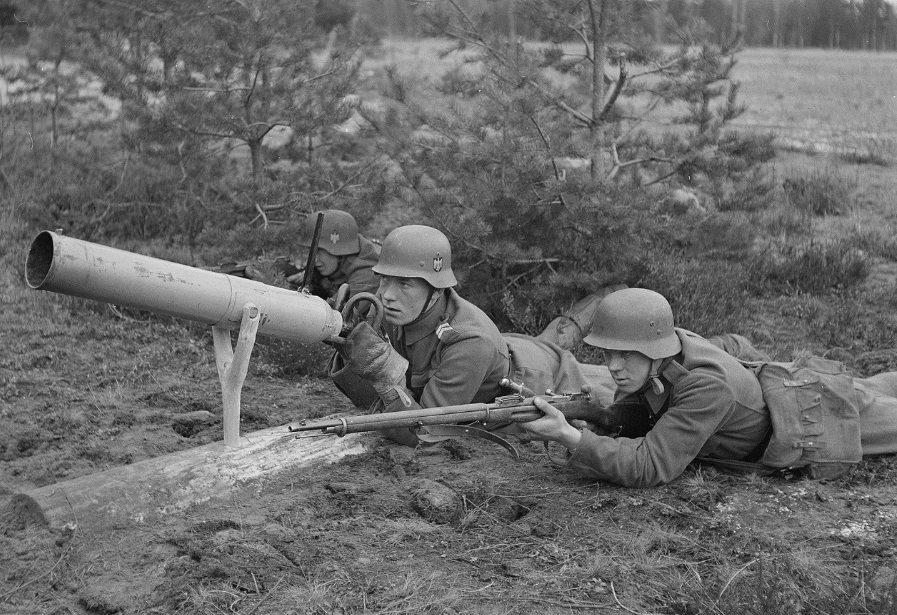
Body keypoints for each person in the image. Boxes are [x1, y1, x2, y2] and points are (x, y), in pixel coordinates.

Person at [520, 287, 897, 488]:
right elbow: (639, 416)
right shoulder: (662, 348)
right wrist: (600, 418)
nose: (614, 367)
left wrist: (570, 437)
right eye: (608, 354)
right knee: (884, 383)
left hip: (806, 420)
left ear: (655, 349)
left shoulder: (704, 387)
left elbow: (649, 467)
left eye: (627, 356)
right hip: (778, 386)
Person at [331, 224, 591, 446]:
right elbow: (368, 401)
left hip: (548, 377)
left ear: (436, 290)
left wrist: (384, 378)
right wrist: (346, 348)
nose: (387, 294)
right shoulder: (397, 307)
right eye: (385, 279)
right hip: (508, 348)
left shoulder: (469, 342)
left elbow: (424, 432)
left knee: (614, 400)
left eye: (404, 284)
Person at [288, 209, 381, 303]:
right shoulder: (336, 264)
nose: (314, 259)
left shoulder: (367, 275)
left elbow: (334, 312)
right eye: (312, 251)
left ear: (339, 250)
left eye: (319, 251)